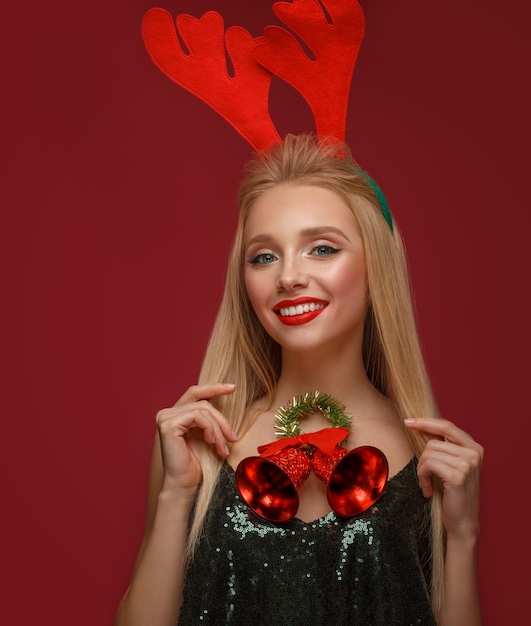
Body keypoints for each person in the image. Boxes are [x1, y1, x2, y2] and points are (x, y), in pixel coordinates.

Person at [114, 134, 483, 626]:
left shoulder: (431, 458)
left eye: (322, 249)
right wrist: (175, 496)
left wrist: (462, 540)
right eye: (263, 256)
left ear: (376, 265)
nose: (288, 276)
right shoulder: (196, 444)